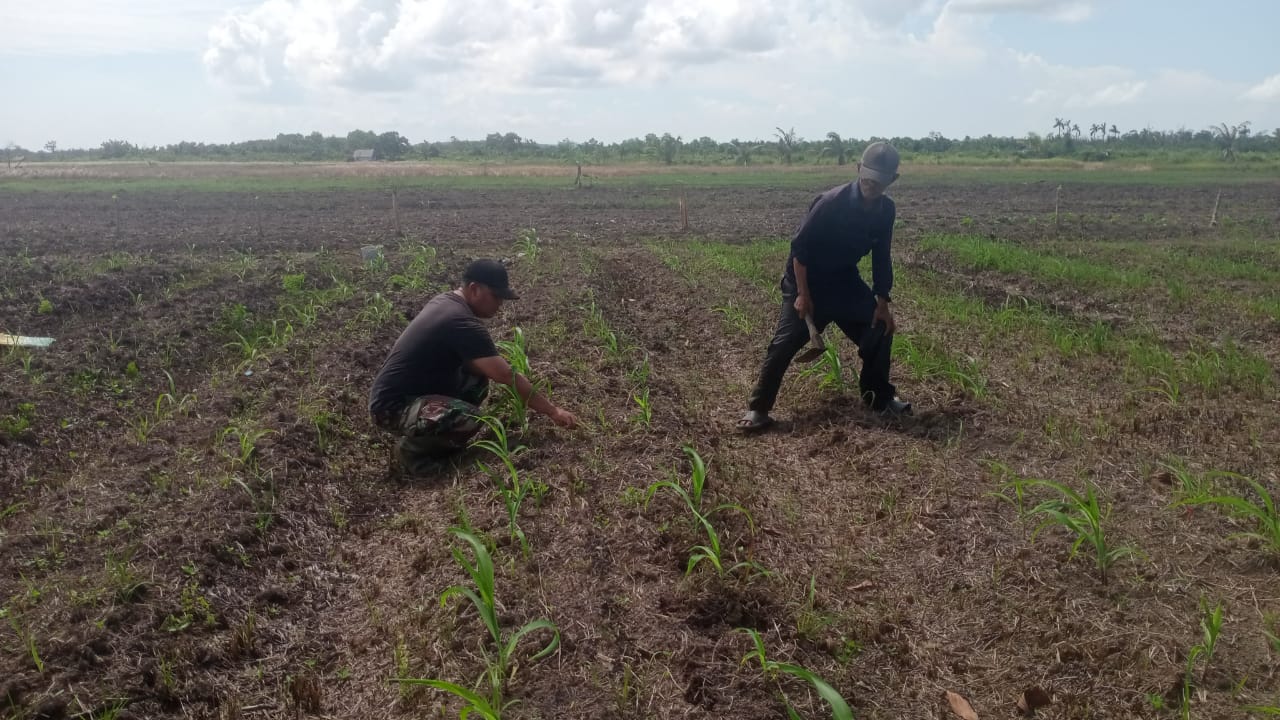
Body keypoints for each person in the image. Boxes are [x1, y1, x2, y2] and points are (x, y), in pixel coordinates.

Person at [738, 141, 911, 432]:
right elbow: (800, 251)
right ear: (858, 170)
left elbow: (882, 255)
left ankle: (879, 399)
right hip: (807, 279)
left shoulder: (886, 211)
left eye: (879, 181)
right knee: (783, 345)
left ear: (892, 180)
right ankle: (758, 409)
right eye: (867, 177)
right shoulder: (831, 203)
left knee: (879, 329)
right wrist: (803, 296)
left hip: (843, 279)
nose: (871, 185)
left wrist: (882, 301)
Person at [369, 259, 577, 475]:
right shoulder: (460, 321)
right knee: (471, 419)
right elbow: (506, 375)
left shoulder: (446, 303)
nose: (499, 305)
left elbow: (485, 366)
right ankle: (412, 456)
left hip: (409, 394)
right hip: (392, 406)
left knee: (476, 380)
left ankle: (434, 435)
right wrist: (553, 411)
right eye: (496, 296)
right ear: (474, 289)